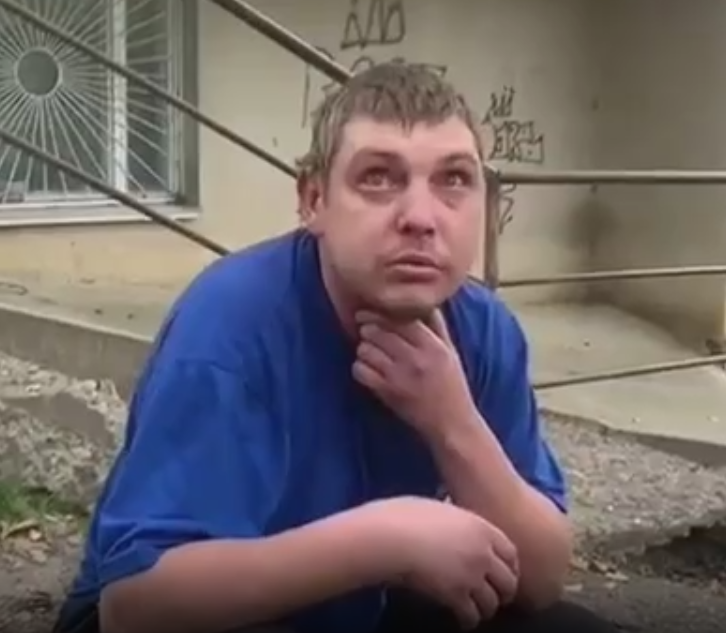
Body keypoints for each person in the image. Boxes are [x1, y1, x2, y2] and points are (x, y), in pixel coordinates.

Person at [55, 62, 616, 633]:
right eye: (378, 178)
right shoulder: (232, 327)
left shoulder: (484, 329)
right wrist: (387, 539)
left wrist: (453, 421)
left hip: (361, 605)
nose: (420, 218)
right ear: (314, 199)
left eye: (453, 179)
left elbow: (540, 581)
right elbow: (134, 608)